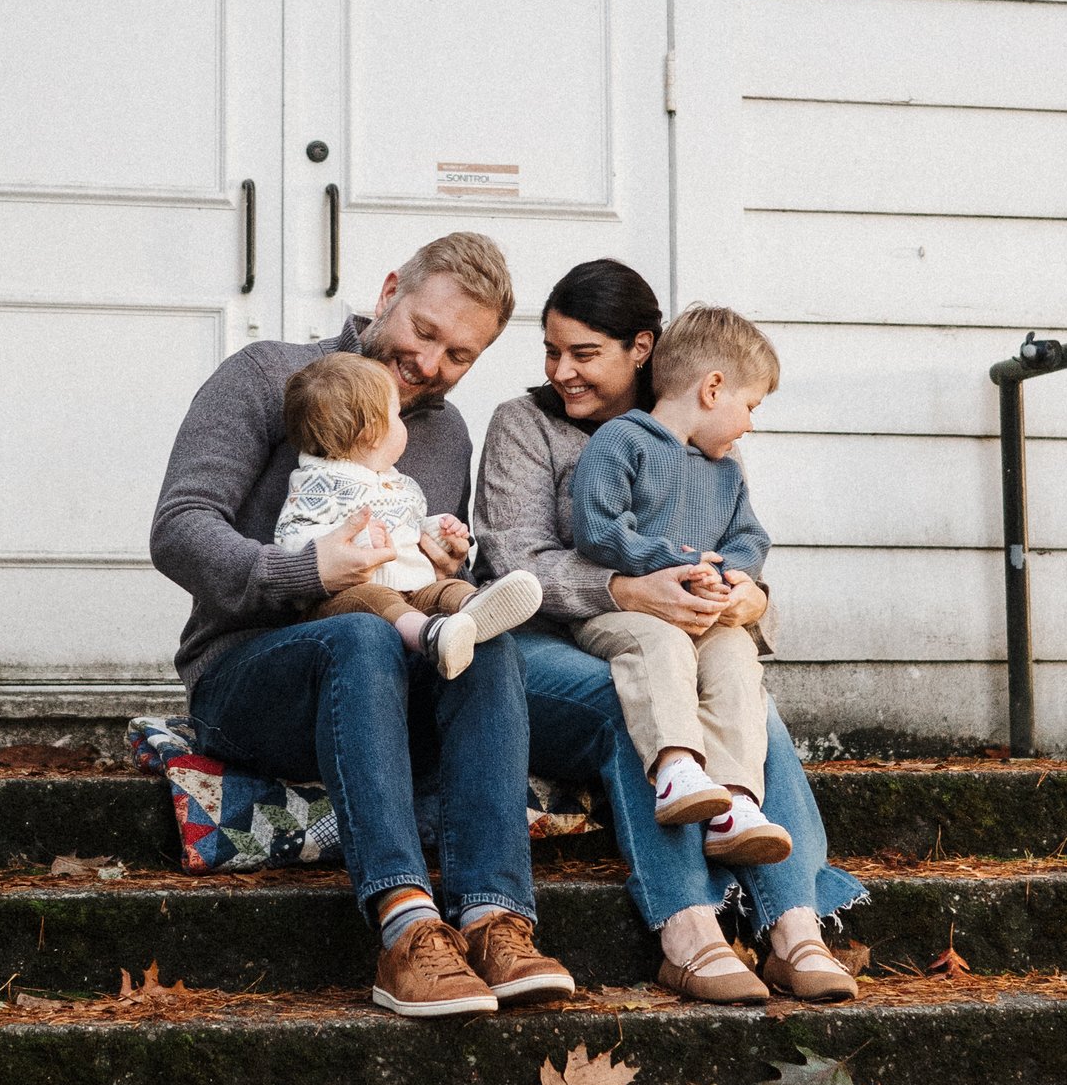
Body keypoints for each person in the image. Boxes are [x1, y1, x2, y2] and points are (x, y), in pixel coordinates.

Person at [149, 234, 575, 1024]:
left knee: (486, 640)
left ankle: (494, 919)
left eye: (460, 354)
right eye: (424, 330)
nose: (432, 362)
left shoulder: (444, 435)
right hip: (248, 673)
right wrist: (308, 570)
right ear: (387, 292)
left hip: (382, 673)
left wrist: (445, 564)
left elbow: (411, 568)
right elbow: (178, 528)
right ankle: (408, 928)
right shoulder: (265, 374)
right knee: (363, 635)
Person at [474, 259, 862, 1008]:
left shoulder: (700, 437)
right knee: (639, 692)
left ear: (642, 350)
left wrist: (748, 602)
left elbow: (732, 549)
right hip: (546, 644)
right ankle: (689, 932)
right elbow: (510, 565)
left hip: (676, 642)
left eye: (584, 353)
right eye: (552, 351)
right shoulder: (524, 426)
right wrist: (625, 587)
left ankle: (795, 931)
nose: (562, 370)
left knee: (743, 705)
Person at [567, 303, 792, 861]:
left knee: (737, 656)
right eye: (750, 405)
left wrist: (731, 578)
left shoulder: (727, 471)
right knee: (663, 644)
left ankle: (736, 804)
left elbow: (750, 538)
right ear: (713, 388)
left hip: (705, 612)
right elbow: (597, 527)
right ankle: (675, 771)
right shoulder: (622, 441)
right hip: (628, 616)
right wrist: (674, 560)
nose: (750, 424)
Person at [273, 349, 540, 678]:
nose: (404, 425)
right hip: (348, 600)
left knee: (446, 591)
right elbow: (290, 537)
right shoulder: (320, 482)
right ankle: (432, 636)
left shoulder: (393, 480)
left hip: (416, 589)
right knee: (376, 599)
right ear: (371, 431)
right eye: (397, 415)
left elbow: (408, 528)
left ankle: (476, 608)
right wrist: (355, 539)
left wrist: (437, 533)